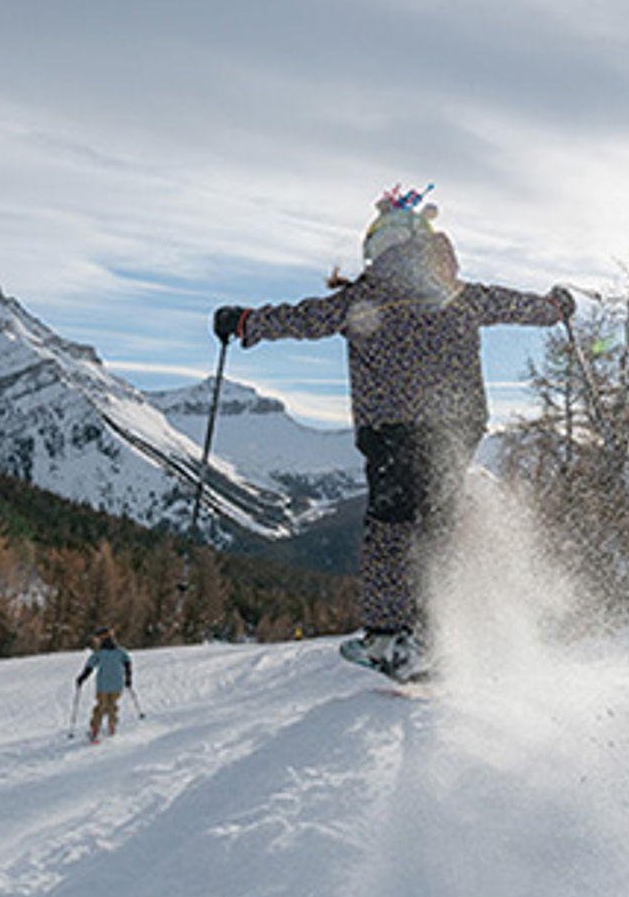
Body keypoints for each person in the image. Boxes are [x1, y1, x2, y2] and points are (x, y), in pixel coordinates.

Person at [213, 185, 574, 680]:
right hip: (459, 425)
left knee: (390, 524)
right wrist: (554, 308)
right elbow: (517, 306)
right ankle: (434, 634)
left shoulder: (366, 296)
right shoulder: (461, 295)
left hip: (394, 428)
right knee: (438, 523)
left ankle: (390, 637)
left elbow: (302, 319)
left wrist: (246, 324)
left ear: (380, 248)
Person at [76, 626, 133, 742]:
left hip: (103, 685)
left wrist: (82, 678)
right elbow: (127, 663)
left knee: (100, 707)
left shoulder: (99, 654)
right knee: (112, 705)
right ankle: (112, 726)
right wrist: (128, 678)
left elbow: (89, 667)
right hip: (117, 685)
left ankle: (95, 730)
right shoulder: (120, 651)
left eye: (97, 639)